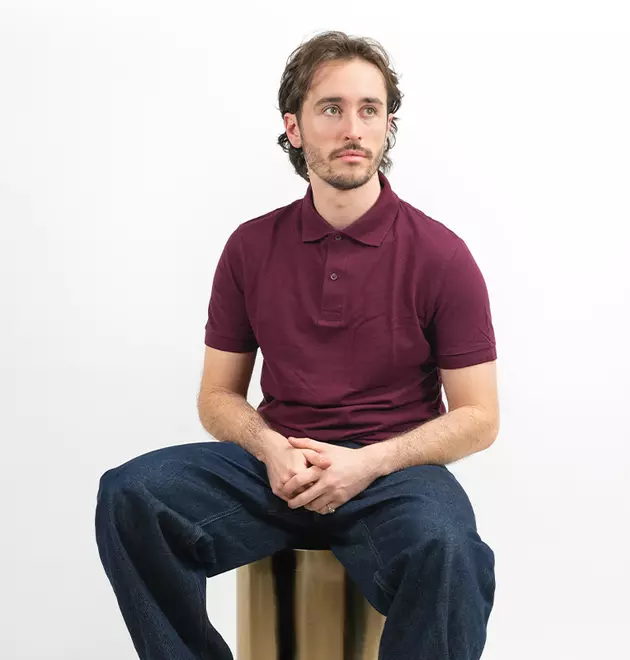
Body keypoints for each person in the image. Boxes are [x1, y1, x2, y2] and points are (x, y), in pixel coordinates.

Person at [95, 30, 500, 660]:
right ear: (294, 127)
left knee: (451, 552)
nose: (353, 129)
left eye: (370, 110)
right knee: (131, 495)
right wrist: (270, 447)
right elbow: (217, 397)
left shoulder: (441, 255)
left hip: (392, 476)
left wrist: (370, 462)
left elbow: (479, 417)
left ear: (388, 126)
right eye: (331, 109)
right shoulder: (250, 246)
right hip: (276, 469)